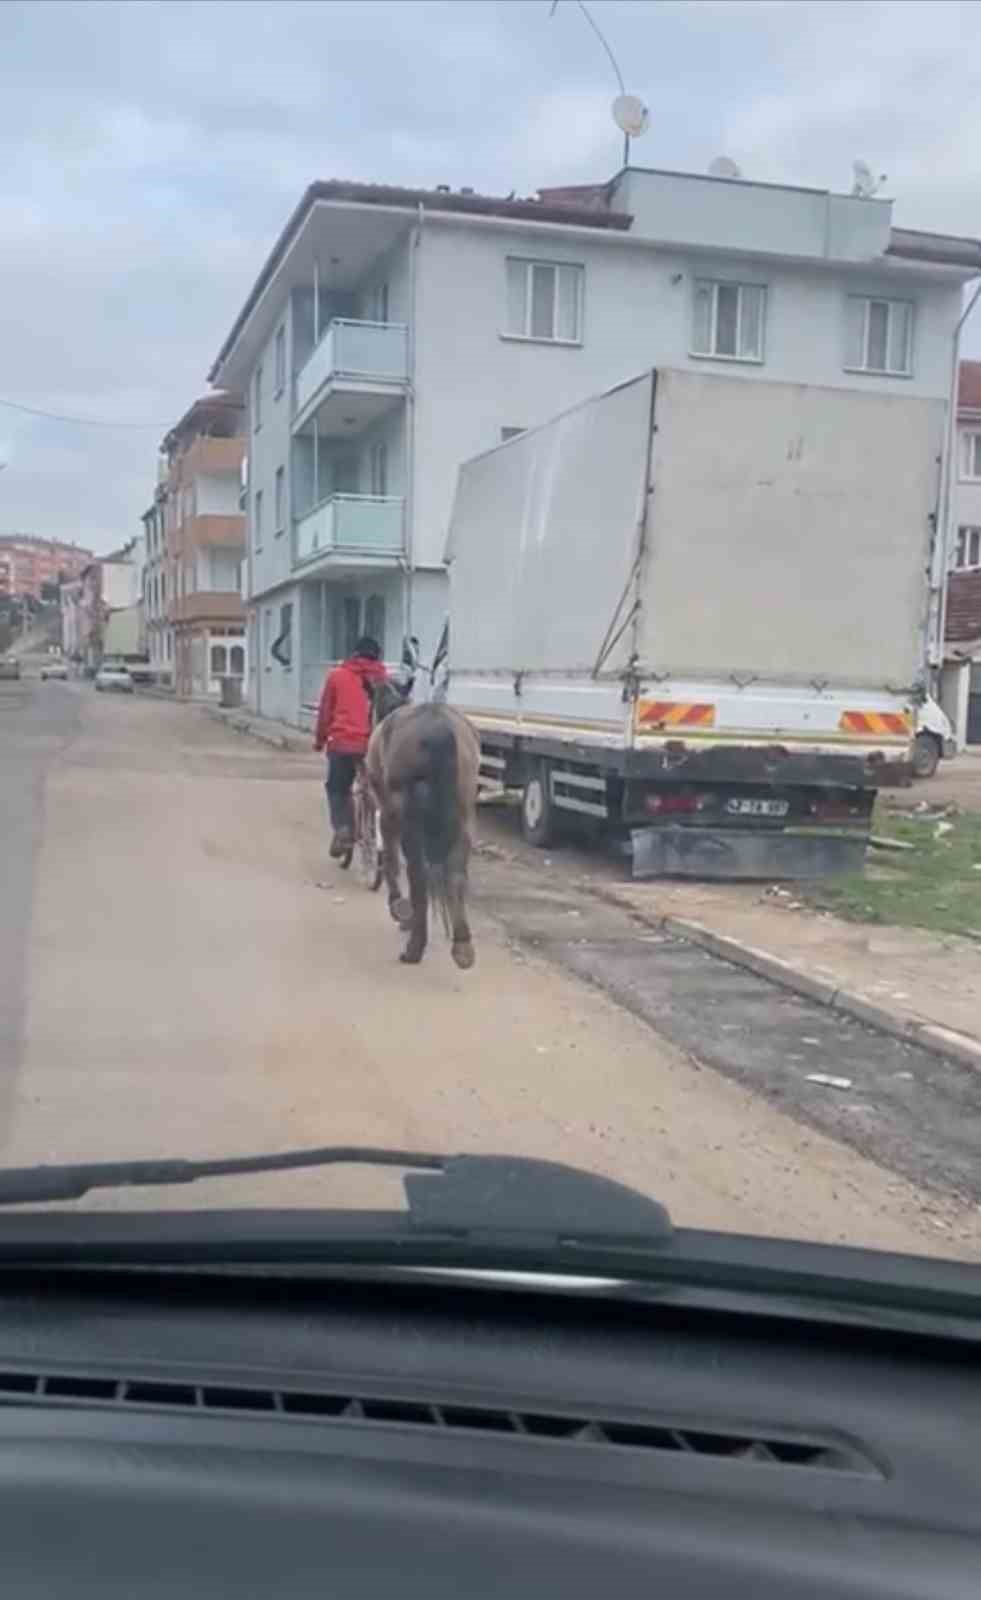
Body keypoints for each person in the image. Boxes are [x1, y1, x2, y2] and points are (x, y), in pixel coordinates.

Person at [314, 636, 388, 857]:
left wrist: (319, 740)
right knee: (377, 789)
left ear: (354, 654)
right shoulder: (384, 680)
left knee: (337, 788)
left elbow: (325, 712)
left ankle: (343, 829)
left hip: (343, 744)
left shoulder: (337, 676)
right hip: (375, 746)